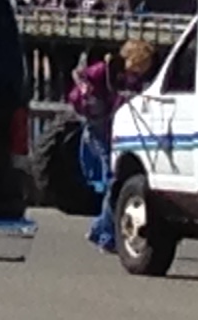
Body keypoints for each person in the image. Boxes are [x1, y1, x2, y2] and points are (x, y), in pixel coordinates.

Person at [73, 42, 134, 248]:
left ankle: (100, 229)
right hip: (98, 127)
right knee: (112, 179)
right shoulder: (101, 72)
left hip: (107, 126)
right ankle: (104, 232)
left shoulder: (117, 76)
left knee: (112, 180)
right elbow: (80, 79)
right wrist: (90, 99)